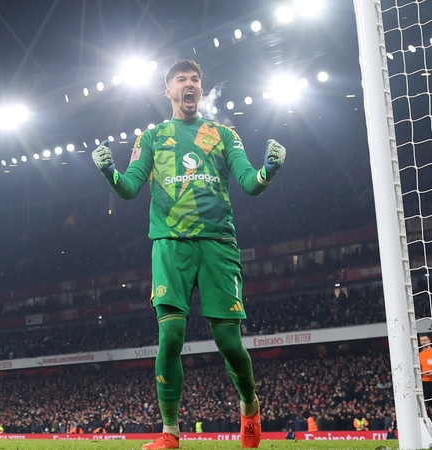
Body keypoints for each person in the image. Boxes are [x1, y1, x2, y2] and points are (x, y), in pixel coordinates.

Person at [92, 59, 286, 449]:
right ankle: (170, 433)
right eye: (181, 79)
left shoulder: (223, 135)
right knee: (171, 338)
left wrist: (268, 170)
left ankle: (249, 407)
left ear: (201, 87)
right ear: (169, 91)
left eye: (195, 78)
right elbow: (130, 188)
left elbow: (249, 183)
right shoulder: (151, 138)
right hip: (170, 244)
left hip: (217, 244)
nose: (190, 83)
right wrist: (109, 172)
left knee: (230, 343)